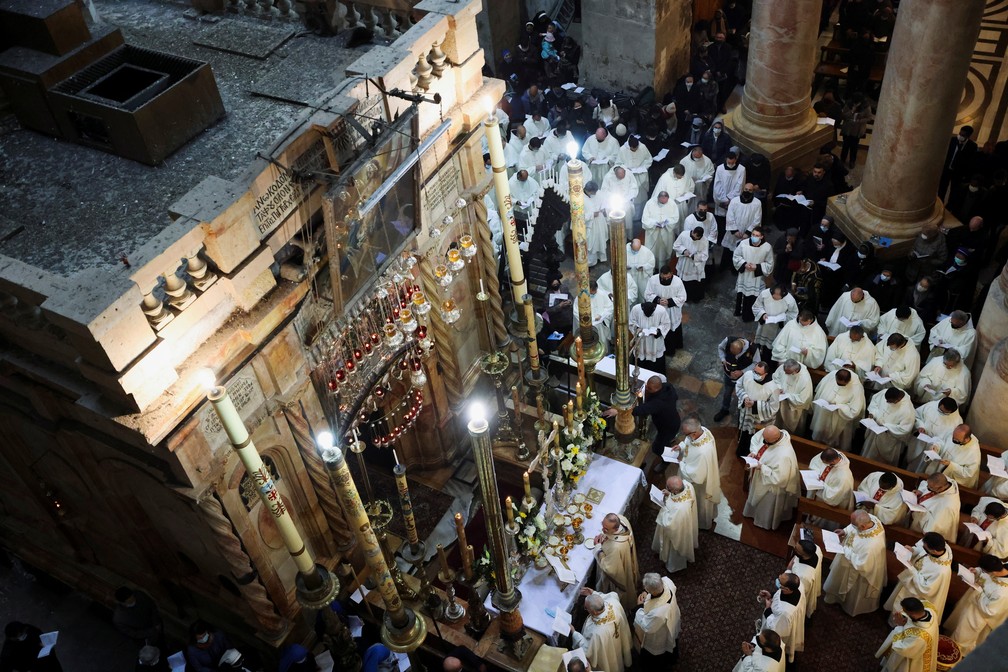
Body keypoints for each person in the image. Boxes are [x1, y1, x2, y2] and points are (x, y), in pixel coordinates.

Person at [822, 510, 888, 616]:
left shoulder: (872, 545)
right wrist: (845, 531)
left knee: (853, 593)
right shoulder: (871, 519)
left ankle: (848, 607)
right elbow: (853, 527)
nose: (852, 526)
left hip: (857, 572)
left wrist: (844, 549)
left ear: (862, 527)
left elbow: (862, 565)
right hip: (845, 561)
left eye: (854, 525)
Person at [606, 377, 680, 469]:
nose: (647, 388)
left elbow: (640, 410)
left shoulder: (658, 403)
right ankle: (670, 439)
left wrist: (618, 411)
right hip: (673, 419)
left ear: (657, 388)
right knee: (667, 439)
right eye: (647, 386)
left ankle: (666, 461)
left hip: (667, 427)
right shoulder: (667, 387)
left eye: (649, 388)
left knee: (657, 447)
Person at [943, 554, 1008, 657]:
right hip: (971, 604)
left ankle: (955, 654)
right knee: (958, 623)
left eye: (985, 571)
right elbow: (985, 573)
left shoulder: (1003, 592)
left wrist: (978, 593)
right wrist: (977, 571)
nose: (984, 572)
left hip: (978, 616)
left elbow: (990, 611)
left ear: (994, 572)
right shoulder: (1000, 565)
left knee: (963, 637)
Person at [742, 425, 800, 530]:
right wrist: (755, 452)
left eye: (767, 441)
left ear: (776, 439)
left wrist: (762, 468)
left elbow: (780, 479)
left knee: (765, 505)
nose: (764, 442)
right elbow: (756, 439)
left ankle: (763, 522)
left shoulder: (785, 455)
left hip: (770, 486)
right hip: (759, 476)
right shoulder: (770, 433)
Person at [670, 416, 722, 530]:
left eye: (686, 434)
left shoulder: (703, 452)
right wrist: (681, 447)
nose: (685, 436)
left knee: (699, 503)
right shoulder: (703, 431)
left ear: (693, 433)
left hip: (698, 485)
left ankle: (700, 523)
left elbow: (697, 476)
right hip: (694, 467)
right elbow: (689, 443)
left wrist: (680, 463)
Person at [884, 533, 953, 618]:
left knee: (904, 611)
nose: (924, 548)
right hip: (909, 581)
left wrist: (911, 569)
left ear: (934, 551)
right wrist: (913, 550)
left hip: (916, 594)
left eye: (925, 548)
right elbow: (923, 549)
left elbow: (926, 588)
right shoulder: (941, 546)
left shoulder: (941, 571)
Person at [592, 513, 640, 615]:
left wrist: (598, 548)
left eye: (606, 529)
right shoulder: (622, 520)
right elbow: (611, 535)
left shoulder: (615, 548)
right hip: (625, 556)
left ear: (615, 529)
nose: (603, 530)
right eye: (603, 526)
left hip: (618, 568)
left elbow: (609, 568)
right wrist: (606, 535)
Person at [876, 597, 940, 672]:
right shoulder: (929, 608)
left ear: (912, 614)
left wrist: (899, 625)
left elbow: (902, 649)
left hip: (911, 656)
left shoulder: (920, 637)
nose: (902, 611)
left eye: (905, 611)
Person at [576, 589, 633, 672]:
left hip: (608, 652)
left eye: (586, 608)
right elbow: (613, 594)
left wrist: (574, 633)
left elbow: (588, 651)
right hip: (618, 638)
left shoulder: (596, 632)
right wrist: (593, 592)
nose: (586, 609)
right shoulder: (614, 603)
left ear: (594, 612)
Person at [810, 369, 866, 451]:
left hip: (840, 417)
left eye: (842, 384)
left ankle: (834, 451)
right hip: (824, 412)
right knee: (820, 432)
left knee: (838, 441)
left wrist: (839, 406)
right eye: (838, 383)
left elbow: (855, 410)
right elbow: (820, 389)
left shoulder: (857, 387)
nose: (839, 385)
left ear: (848, 381)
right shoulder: (831, 375)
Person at [633, 573, 681, 664]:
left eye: (647, 589)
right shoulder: (666, 581)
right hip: (673, 614)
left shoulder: (658, 613)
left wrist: (639, 607)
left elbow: (647, 626)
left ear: (653, 592)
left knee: (658, 654)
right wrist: (646, 592)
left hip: (660, 630)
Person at [862, 387, 916, 466]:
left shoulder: (907, 410)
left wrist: (886, 426)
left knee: (881, 462)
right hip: (874, 431)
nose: (887, 402)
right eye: (886, 400)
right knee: (868, 453)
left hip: (888, 438)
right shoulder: (885, 392)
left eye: (889, 401)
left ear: (897, 399)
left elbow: (904, 429)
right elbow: (875, 401)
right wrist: (872, 413)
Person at [736, 361, 781, 454]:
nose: (755, 374)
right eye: (754, 371)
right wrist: (745, 397)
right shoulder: (748, 375)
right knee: (743, 434)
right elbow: (739, 385)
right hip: (746, 413)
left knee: (753, 438)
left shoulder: (773, 387)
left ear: (766, 374)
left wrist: (755, 405)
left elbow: (774, 408)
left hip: (758, 419)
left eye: (758, 373)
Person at [758, 573, 804, 663]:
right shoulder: (796, 587)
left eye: (779, 582)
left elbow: (775, 628)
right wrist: (771, 595)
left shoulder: (785, 613)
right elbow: (780, 594)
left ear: (786, 589)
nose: (777, 581)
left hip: (781, 623)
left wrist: (768, 609)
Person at [908, 397, 963, 472]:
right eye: (940, 410)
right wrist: (920, 426)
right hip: (920, 440)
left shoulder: (957, 422)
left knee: (921, 467)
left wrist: (937, 446)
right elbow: (916, 415)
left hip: (933, 448)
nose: (941, 413)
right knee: (911, 460)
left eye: (945, 413)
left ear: (952, 412)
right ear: (939, 404)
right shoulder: (931, 406)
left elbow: (949, 442)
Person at [644, 264, 687, 358]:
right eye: (663, 277)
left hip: (672, 310)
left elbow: (682, 297)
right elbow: (647, 294)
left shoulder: (678, 281)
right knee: (660, 328)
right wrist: (658, 300)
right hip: (658, 309)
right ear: (660, 274)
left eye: (668, 277)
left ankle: (671, 349)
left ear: (671, 273)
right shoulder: (653, 280)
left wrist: (669, 301)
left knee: (671, 329)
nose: (666, 279)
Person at [714, 336, 759, 423]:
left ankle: (742, 414)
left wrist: (742, 371)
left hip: (743, 379)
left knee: (744, 395)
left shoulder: (753, 349)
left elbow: (756, 363)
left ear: (742, 350)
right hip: (729, 375)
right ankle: (724, 409)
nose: (734, 356)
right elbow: (720, 348)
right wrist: (723, 359)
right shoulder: (727, 340)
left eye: (736, 354)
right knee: (727, 393)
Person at [733, 224, 774, 322]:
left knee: (752, 298)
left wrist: (757, 267)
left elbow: (770, 264)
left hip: (756, 277)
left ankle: (748, 316)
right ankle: (738, 311)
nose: (754, 237)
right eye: (753, 234)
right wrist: (744, 264)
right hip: (745, 274)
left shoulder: (767, 247)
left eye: (757, 235)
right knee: (741, 294)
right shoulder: (743, 243)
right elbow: (736, 256)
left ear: (761, 237)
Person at [923, 423, 981, 488]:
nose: (953, 440)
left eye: (956, 440)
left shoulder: (973, 452)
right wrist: (936, 447)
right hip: (938, 469)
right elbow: (943, 441)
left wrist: (950, 465)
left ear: (966, 439)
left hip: (951, 479)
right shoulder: (955, 434)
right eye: (953, 437)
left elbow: (968, 473)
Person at [723, 182, 762, 276]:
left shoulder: (757, 203)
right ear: (743, 189)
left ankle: (738, 270)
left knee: (743, 253)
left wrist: (748, 233)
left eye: (750, 190)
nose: (747, 191)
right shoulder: (734, 201)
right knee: (730, 250)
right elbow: (730, 216)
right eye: (746, 189)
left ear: (753, 191)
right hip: (734, 232)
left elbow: (757, 219)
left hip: (746, 233)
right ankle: (726, 267)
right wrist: (734, 230)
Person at [908, 474, 961, 542]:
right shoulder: (945, 480)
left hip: (923, 535)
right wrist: (921, 491)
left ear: (941, 488)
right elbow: (925, 484)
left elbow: (934, 529)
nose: (928, 488)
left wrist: (921, 512)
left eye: (930, 488)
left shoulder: (948, 506)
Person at [772, 359, 813, 434]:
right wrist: (779, 387)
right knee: (777, 425)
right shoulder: (784, 367)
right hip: (779, 403)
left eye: (788, 373)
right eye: (785, 372)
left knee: (790, 430)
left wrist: (787, 396)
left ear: (796, 371)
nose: (785, 374)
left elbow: (802, 400)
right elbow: (776, 377)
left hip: (793, 410)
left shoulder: (805, 379)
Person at [629, 300, 670, 373]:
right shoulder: (636, 309)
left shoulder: (661, 310)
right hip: (641, 341)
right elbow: (631, 323)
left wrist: (658, 331)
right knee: (640, 359)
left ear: (654, 309)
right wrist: (638, 329)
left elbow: (666, 324)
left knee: (656, 365)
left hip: (655, 341)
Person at [641, 190, 679, 269]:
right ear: (658, 198)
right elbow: (645, 218)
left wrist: (666, 224)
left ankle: (664, 268)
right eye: (661, 202)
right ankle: (652, 267)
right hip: (653, 231)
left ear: (668, 198)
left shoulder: (672, 204)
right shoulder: (650, 203)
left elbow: (675, 218)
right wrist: (654, 223)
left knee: (664, 251)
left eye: (665, 202)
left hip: (666, 231)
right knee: (653, 250)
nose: (663, 203)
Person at [714, 152, 747, 240]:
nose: (731, 165)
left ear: (736, 159)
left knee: (731, 220)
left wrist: (730, 199)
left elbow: (740, 186)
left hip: (733, 200)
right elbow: (717, 185)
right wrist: (724, 199)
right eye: (729, 163)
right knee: (720, 222)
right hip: (722, 201)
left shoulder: (741, 169)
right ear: (726, 159)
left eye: (732, 163)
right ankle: (719, 239)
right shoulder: (720, 168)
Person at [617, 136, 654, 217]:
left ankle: (641, 215)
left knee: (641, 196)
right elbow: (618, 163)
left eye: (636, 148)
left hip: (640, 175)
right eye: (633, 149)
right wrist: (626, 169)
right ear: (629, 146)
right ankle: (631, 216)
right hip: (628, 175)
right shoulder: (622, 149)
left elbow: (649, 159)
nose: (635, 150)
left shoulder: (643, 147)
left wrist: (642, 167)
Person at [787, 537, 823, 616]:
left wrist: (789, 570)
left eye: (796, 550)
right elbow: (796, 557)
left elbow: (799, 591)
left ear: (803, 555)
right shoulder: (816, 548)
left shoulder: (803, 575)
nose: (794, 549)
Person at [940, 125, 977, 201]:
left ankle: (949, 207)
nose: (960, 136)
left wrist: (965, 175)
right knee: (942, 188)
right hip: (947, 169)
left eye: (963, 135)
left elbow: (970, 162)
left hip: (958, 173)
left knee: (954, 191)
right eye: (960, 133)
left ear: (968, 136)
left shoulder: (972, 146)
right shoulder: (952, 140)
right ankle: (940, 202)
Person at [673, 225, 709, 301]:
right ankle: (683, 297)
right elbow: (676, 245)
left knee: (694, 282)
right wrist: (684, 250)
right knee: (683, 281)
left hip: (695, 266)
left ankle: (694, 298)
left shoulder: (705, 240)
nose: (694, 239)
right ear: (692, 231)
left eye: (697, 238)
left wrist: (693, 256)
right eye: (693, 237)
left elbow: (705, 255)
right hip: (684, 263)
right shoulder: (684, 234)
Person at [573, 280, 613, 345]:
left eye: (595, 292)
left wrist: (601, 315)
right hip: (586, 327)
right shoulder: (580, 297)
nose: (594, 294)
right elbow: (576, 312)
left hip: (600, 325)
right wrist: (589, 320)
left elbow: (609, 307)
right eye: (591, 293)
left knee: (602, 342)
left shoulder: (602, 294)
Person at [602, 166, 641, 231]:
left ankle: (628, 237)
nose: (621, 179)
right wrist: (613, 197)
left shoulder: (629, 174)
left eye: (623, 177)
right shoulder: (608, 177)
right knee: (615, 223)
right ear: (615, 174)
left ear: (625, 172)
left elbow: (633, 187)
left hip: (626, 202)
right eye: (619, 178)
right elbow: (604, 191)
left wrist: (629, 196)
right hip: (613, 203)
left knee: (627, 222)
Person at [839, 92, 872, 168]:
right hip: (847, 129)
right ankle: (842, 159)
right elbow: (843, 115)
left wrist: (859, 121)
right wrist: (852, 111)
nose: (856, 104)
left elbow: (869, 117)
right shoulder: (849, 104)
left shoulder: (866, 107)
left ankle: (852, 161)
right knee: (845, 146)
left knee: (854, 147)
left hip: (857, 130)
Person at [584, 181, 608, 266]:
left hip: (599, 220)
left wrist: (602, 209)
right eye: (592, 193)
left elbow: (604, 202)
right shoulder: (580, 199)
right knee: (591, 243)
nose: (594, 194)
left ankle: (601, 257)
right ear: (587, 191)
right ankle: (591, 262)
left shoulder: (598, 193)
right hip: (589, 224)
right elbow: (578, 216)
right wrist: (592, 215)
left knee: (600, 239)